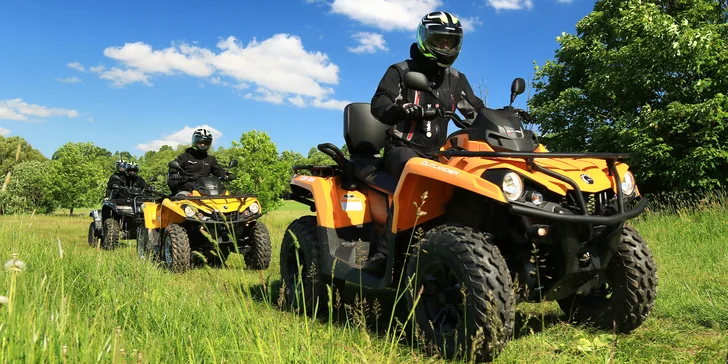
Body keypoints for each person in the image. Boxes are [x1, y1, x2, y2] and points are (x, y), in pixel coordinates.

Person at [364, 11, 487, 273]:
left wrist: (503, 117)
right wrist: (402, 109)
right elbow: (380, 103)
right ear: (425, 39)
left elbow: (474, 111)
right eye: (439, 40)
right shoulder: (401, 71)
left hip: (438, 155)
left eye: (450, 42)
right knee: (416, 173)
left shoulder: (456, 79)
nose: (445, 46)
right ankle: (384, 256)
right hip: (401, 149)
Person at [166, 128, 234, 196]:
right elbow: (174, 168)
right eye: (200, 142)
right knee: (181, 200)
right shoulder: (185, 157)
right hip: (187, 190)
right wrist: (175, 174)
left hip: (206, 191)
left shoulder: (211, 159)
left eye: (205, 143)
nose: (202, 145)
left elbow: (218, 170)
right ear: (194, 141)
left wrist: (226, 175)